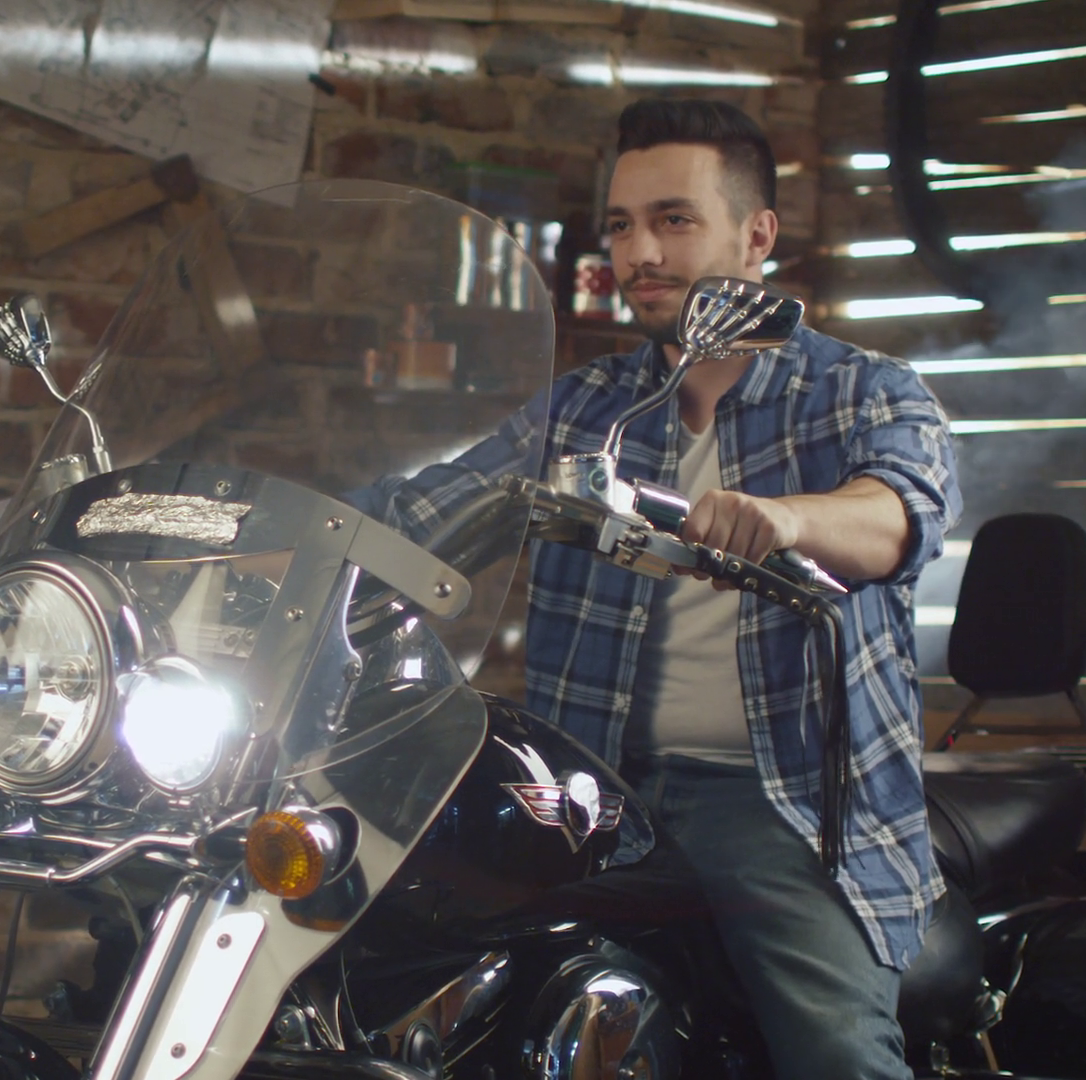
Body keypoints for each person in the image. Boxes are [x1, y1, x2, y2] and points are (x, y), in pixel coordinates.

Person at [362, 98, 960, 1078]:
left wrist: (790, 520)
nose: (639, 252)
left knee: (836, 1052)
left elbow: (898, 515)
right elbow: (415, 514)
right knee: (397, 973)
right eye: (621, 226)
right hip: (584, 792)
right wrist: (233, 526)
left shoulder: (865, 392)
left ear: (757, 234)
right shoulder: (586, 408)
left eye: (673, 220)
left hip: (776, 798)